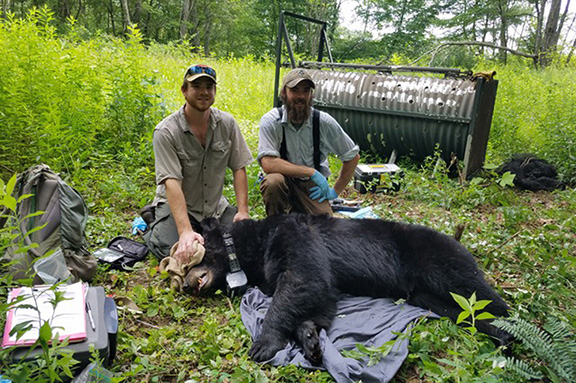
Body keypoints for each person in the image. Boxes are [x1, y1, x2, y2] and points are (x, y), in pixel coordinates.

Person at [145, 64, 253, 262]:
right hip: (178, 204)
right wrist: (185, 231)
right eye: (196, 86)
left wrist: (243, 211)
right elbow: (171, 182)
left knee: (246, 243)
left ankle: (202, 232)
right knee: (177, 251)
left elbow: (239, 167)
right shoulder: (166, 132)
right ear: (184, 90)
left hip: (214, 207)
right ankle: (157, 223)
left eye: (209, 87)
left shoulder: (227, 124)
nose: (204, 92)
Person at [257, 68, 360, 216]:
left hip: (311, 187)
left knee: (324, 226)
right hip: (283, 181)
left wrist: (335, 191)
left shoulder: (323, 122)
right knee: (273, 182)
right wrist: (310, 172)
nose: (301, 96)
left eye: (306, 91)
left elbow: (352, 156)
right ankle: (277, 224)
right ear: (284, 93)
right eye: (295, 90)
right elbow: (268, 162)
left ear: (311, 94)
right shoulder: (272, 121)